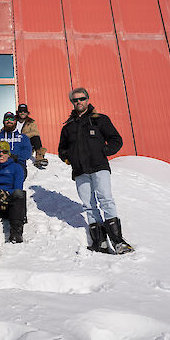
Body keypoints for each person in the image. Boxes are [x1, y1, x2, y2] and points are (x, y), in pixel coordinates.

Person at [58, 87, 133, 255]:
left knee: (105, 199)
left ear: (87, 99)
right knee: (89, 205)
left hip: (99, 167)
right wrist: (69, 159)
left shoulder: (100, 120)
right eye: (75, 100)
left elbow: (116, 140)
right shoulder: (68, 127)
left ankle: (118, 241)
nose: (79, 102)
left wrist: (103, 152)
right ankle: (100, 242)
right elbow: (61, 149)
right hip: (80, 171)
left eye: (81, 99)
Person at [16, 103, 48, 169]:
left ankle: (39, 157)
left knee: (36, 137)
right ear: (18, 112)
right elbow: (5, 129)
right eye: (21, 111)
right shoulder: (13, 120)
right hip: (14, 142)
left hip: (25, 143)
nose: (22, 113)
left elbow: (35, 132)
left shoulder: (31, 122)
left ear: (27, 113)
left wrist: (23, 136)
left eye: (24, 111)